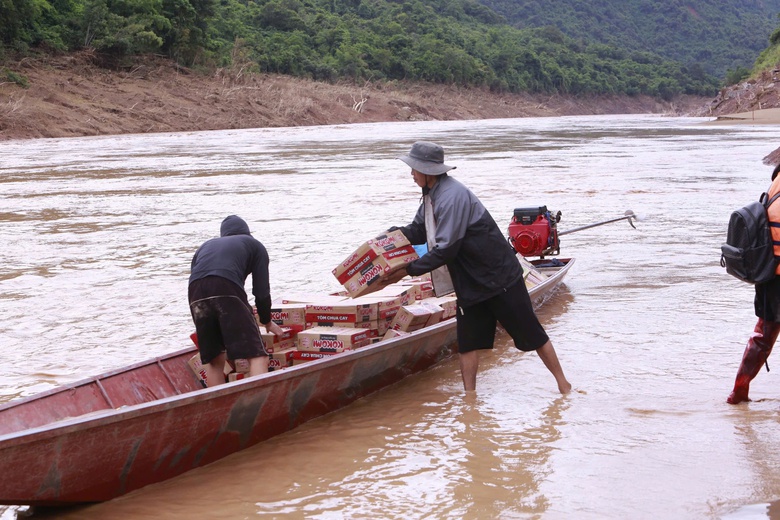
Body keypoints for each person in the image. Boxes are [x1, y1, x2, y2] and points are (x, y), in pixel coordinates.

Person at [390, 141, 572, 393]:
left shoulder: (452, 197)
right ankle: (470, 400)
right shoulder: (431, 195)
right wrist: (390, 238)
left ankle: (564, 385)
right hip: (470, 281)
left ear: (427, 171)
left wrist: (406, 271)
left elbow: (446, 249)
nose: (410, 174)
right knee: (467, 343)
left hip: (498, 277)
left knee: (533, 334)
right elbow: (419, 230)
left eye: (413, 169)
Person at [189, 215, 284, 387]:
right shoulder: (255, 245)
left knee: (214, 359)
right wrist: (266, 321)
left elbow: (200, 282)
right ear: (247, 233)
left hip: (195, 292)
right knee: (257, 355)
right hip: (226, 286)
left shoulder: (205, 247)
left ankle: (218, 407)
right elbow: (261, 291)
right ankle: (257, 402)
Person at [727, 163, 780, 404]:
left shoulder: (775, 181)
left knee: (764, 334)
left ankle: (738, 391)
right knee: (764, 334)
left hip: (769, 272)